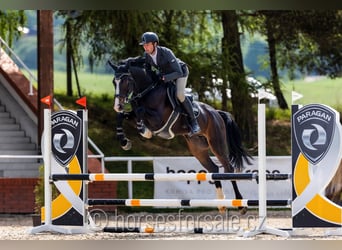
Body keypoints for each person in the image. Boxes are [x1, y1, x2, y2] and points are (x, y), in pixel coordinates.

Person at [139, 31, 201, 136]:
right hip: (166, 75)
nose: (145, 47)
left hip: (180, 73)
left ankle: (194, 122)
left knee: (179, 95)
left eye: (148, 45)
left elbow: (178, 72)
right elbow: (148, 71)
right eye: (144, 45)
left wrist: (164, 77)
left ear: (155, 44)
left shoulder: (166, 52)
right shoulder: (147, 55)